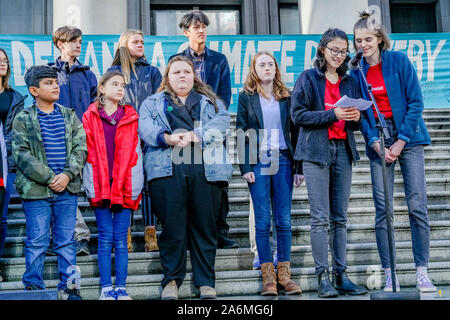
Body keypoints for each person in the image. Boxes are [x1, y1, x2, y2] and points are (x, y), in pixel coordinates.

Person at [351, 11, 436, 293]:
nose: (363, 45)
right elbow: (360, 114)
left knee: (416, 206)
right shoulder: (357, 71)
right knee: (382, 210)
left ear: (379, 39)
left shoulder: (399, 61)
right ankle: (391, 274)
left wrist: (400, 141)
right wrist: (374, 141)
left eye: (368, 39)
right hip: (379, 140)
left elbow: (416, 102)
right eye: (358, 40)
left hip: (408, 138)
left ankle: (422, 271)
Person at [138, 55, 233, 300]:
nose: (182, 76)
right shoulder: (152, 102)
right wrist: (165, 138)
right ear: (168, 78)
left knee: (205, 226)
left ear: (194, 76)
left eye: (186, 72)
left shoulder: (210, 101)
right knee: (172, 228)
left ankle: (205, 282)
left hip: (205, 170)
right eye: (176, 72)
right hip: (167, 171)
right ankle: (171, 280)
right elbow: (145, 127)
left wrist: (197, 134)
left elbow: (222, 124)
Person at [291, 28, 368, 298]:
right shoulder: (308, 78)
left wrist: (356, 117)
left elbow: (356, 123)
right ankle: (322, 276)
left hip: (343, 152)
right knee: (320, 218)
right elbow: (298, 115)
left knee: (340, 218)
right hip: (315, 154)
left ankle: (341, 275)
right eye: (333, 49)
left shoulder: (349, 81)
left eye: (343, 51)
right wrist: (332, 113)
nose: (338, 55)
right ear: (322, 49)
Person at [12, 65, 86, 300]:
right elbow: (21, 154)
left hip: (67, 189)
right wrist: (49, 177)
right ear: (34, 90)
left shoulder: (69, 115)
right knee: (37, 240)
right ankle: (34, 288)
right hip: (36, 191)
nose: (55, 86)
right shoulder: (23, 118)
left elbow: (80, 147)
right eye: (48, 83)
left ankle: (70, 288)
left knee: (66, 241)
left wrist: (66, 175)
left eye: (55, 82)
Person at [236, 51, 303, 296]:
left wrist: (299, 167)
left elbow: (296, 133)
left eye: (270, 64)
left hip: (284, 160)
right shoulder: (246, 97)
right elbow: (242, 131)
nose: (267, 68)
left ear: (276, 69)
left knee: (283, 220)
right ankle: (268, 277)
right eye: (262, 64)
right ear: (254, 69)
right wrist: (245, 167)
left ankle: (284, 274)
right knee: (263, 221)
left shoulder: (286, 97)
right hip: (259, 161)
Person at [170, 10, 236, 249]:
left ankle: (220, 231)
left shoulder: (219, 60)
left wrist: (214, 122)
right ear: (186, 32)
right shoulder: (177, 59)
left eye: (204, 26)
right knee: (188, 181)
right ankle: (191, 233)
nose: (201, 31)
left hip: (213, 128)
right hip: (186, 128)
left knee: (218, 181)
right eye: (196, 27)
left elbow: (225, 95)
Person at [82, 71, 143, 300]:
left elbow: (136, 153)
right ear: (101, 88)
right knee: (105, 236)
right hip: (100, 184)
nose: (120, 88)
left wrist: (135, 184)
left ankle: (122, 287)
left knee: (120, 238)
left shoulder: (130, 116)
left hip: (124, 185)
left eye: (123, 85)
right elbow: (87, 152)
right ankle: (106, 287)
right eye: (114, 84)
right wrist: (89, 183)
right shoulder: (90, 116)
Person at [108, 29, 162, 253]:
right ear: (124, 44)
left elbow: (162, 101)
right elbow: (107, 102)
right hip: (122, 132)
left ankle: (151, 234)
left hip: (148, 134)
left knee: (148, 185)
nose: (141, 44)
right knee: (123, 184)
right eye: (136, 41)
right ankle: (125, 234)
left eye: (142, 41)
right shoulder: (114, 71)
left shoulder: (153, 72)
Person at [49, 25, 97, 256]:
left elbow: (96, 105)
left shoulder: (88, 74)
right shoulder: (47, 72)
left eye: (80, 40)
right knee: (62, 186)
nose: (79, 44)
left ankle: (80, 235)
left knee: (84, 185)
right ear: (60, 43)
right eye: (73, 41)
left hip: (84, 139)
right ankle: (79, 236)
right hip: (55, 139)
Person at [0, 48, 26, 264]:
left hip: (4, 165)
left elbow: (18, 132)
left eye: (5, 60)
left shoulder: (14, 97)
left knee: (1, 217)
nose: (2, 63)